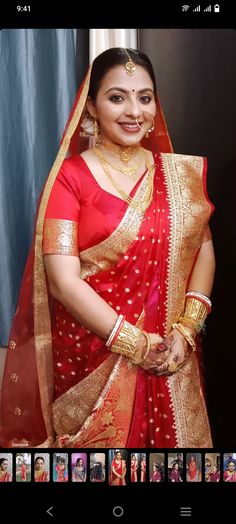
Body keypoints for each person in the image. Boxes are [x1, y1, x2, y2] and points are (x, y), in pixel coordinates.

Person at [0, 47, 215, 449]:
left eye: (145, 97)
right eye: (117, 97)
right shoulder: (71, 178)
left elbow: (202, 248)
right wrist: (135, 343)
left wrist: (186, 329)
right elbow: (63, 281)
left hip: (172, 356)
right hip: (94, 356)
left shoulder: (177, 176)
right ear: (92, 107)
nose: (135, 110)